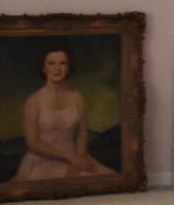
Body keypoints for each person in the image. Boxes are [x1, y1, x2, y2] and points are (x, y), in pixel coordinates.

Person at [13, 44, 112, 181]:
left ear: (68, 68)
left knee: (108, 177)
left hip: (75, 156)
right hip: (43, 160)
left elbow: (82, 132)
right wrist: (69, 157)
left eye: (62, 63)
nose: (57, 69)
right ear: (44, 68)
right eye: (51, 63)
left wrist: (79, 159)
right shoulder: (33, 100)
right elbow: (33, 143)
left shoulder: (77, 97)